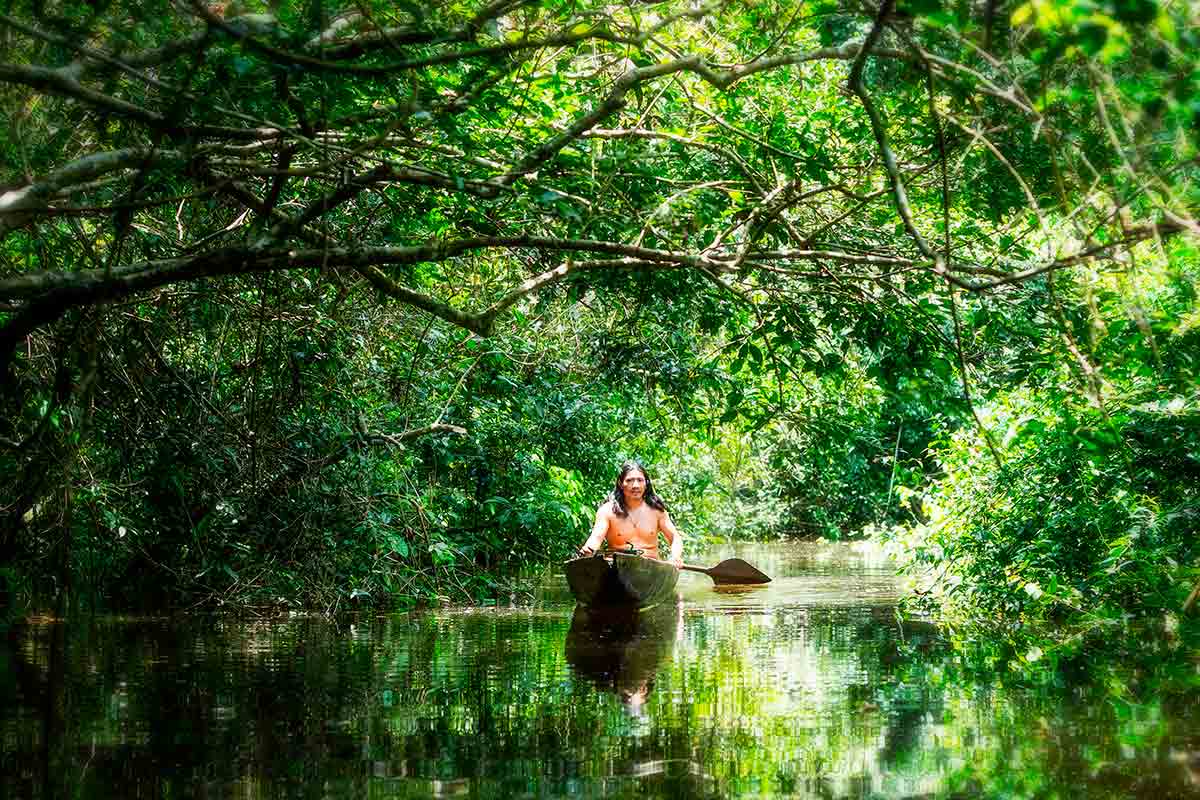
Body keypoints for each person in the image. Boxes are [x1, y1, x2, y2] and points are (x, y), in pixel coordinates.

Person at [576, 461, 684, 568]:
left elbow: (675, 537)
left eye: (640, 480)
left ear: (646, 484)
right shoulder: (607, 511)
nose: (635, 485)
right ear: (621, 483)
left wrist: (675, 557)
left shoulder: (657, 511)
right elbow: (596, 537)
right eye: (630, 480)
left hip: (651, 568)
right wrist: (588, 550)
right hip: (618, 567)